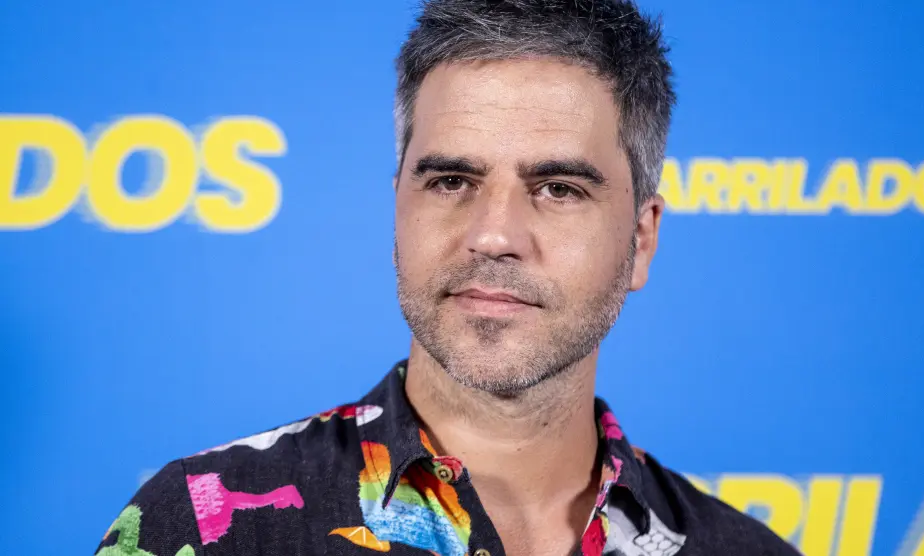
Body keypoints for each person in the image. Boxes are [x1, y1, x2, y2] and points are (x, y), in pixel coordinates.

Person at [94, 1, 801, 555]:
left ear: (641, 239)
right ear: (398, 207)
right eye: (451, 181)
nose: (493, 235)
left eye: (558, 189)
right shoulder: (205, 526)